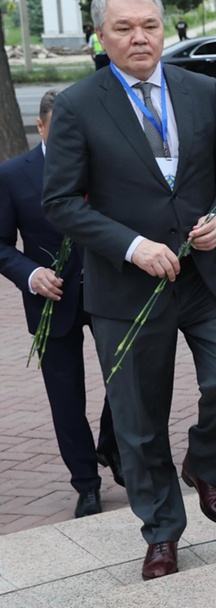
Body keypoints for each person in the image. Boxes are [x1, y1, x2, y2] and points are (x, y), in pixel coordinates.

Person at [41, 0, 216, 580]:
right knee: (138, 421)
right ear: (101, 37)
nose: (140, 37)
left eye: (150, 25)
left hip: (205, 274)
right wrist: (133, 247)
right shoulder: (81, 105)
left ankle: (206, 465)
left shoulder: (202, 90)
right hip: (127, 287)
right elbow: (59, 202)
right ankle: (162, 532)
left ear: (165, 29)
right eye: (124, 28)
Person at [0, 89, 122, 520]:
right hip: (52, 300)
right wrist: (31, 275)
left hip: (111, 292)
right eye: (62, 128)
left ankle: (112, 445)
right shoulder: (14, 174)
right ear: (41, 126)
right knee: (66, 397)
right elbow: (1, 245)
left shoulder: (102, 165)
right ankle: (86, 482)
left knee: (125, 378)